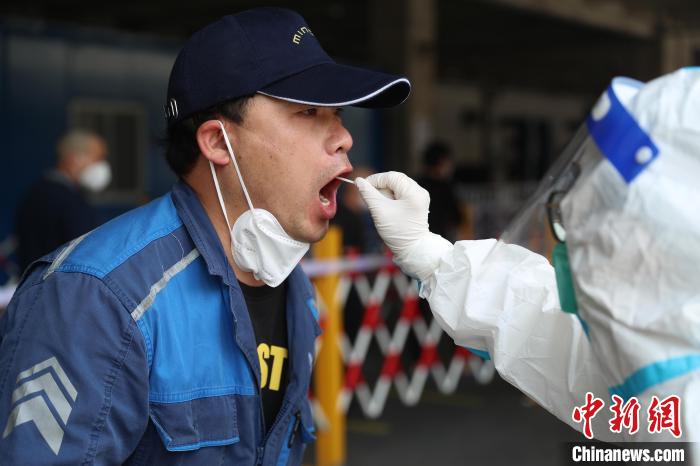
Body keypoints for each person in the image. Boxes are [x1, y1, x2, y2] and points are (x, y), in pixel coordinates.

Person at [0, 8, 409, 465]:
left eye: (338, 114)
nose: (344, 138)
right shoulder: (96, 300)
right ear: (217, 142)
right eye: (309, 111)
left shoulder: (295, 290)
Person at [356, 68, 700, 455]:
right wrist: (427, 252)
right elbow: (559, 343)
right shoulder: (662, 366)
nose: (575, 235)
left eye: (601, 221)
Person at [14, 130, 110, 271]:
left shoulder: (37, 192)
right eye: (98, 158)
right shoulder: (67, 201)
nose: (102, 165)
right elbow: (86, 253)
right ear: (74, 158)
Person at [416, 140, 462, 241]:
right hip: (440, 242)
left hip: (416, 242)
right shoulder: (445, 188)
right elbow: (457, 218)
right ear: (441, 162)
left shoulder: (415, 185)